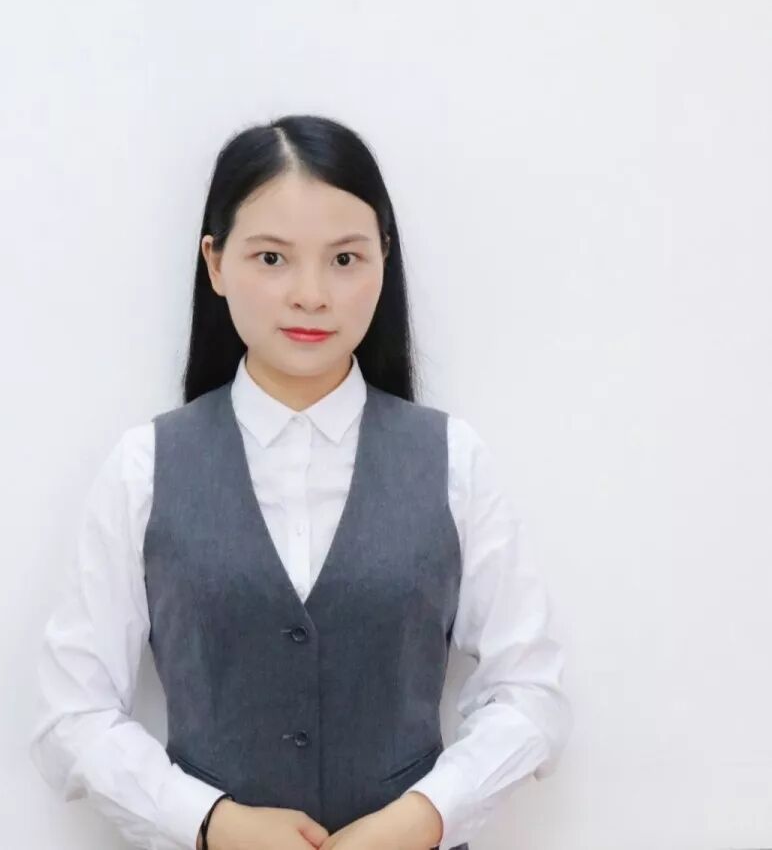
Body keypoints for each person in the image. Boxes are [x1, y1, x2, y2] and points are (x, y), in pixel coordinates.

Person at [29, 114, 573, 850]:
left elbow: (530, 692)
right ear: (215, 263)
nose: (311, 295)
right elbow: (72, 715)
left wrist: (422, 817)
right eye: (272, 258)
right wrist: (210, 822)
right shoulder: (143, 466)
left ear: (384, 259)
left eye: (345, 259)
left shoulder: (454, 458)